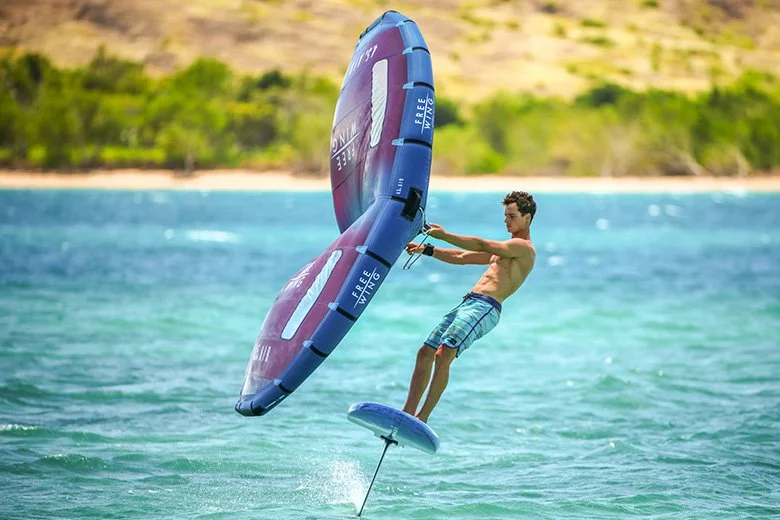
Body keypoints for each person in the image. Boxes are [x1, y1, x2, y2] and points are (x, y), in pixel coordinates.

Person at [401, 191, 537, 423]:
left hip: (485, 308)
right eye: (505, 216)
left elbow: (480, 243)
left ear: (527, 218)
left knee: (444, 354)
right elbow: (461, 256)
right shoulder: (504, 250)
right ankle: (406, 414)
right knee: (425, 352)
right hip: (468, 303)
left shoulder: (523, 248)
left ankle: (422, 418)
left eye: (512, 216)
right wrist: (428, 249)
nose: (506, 220)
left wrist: (444, 235)